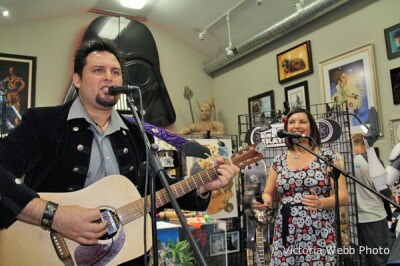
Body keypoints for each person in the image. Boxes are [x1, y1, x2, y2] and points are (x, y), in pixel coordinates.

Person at [0, 39, 239, 265]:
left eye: (115, 72)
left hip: (123, 257)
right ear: (77, 79)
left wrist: (202, 186)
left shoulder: (137, 133)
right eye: (98, 70)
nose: (109, 78)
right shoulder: (42, 123)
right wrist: (54, 215)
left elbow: (155, 188)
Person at [253, 107, 348, 265]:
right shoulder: (278, 161)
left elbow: (343, 197)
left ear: (311, 127)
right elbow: (268, 193)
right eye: (292, 122)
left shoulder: (327, 157)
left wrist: (321, 203)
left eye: (302, 121)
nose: (296, 125)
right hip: (286, 228)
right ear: (286, 128)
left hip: (318, 229)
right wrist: (265, 201)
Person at [352, 133, 392, 266]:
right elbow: (384, 191)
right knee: (381, 258)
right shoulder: (373, 161)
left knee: (364, 258)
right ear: (366, 144)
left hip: (356, 218)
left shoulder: (347, 162)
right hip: (375, 216)